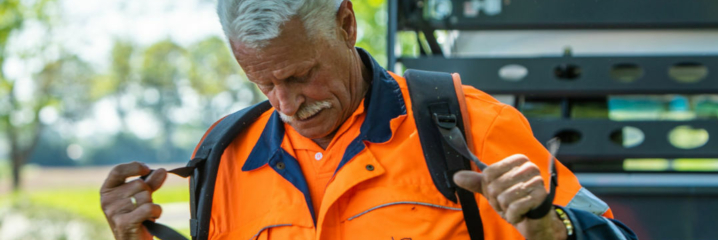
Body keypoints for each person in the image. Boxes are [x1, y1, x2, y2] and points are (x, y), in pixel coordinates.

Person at [100, 0, 637, 239]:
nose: (286, 104)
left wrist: (549, 229)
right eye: (263, 83)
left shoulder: (470, 125)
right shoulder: (222, 155)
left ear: (347, 23)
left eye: (301, 75)